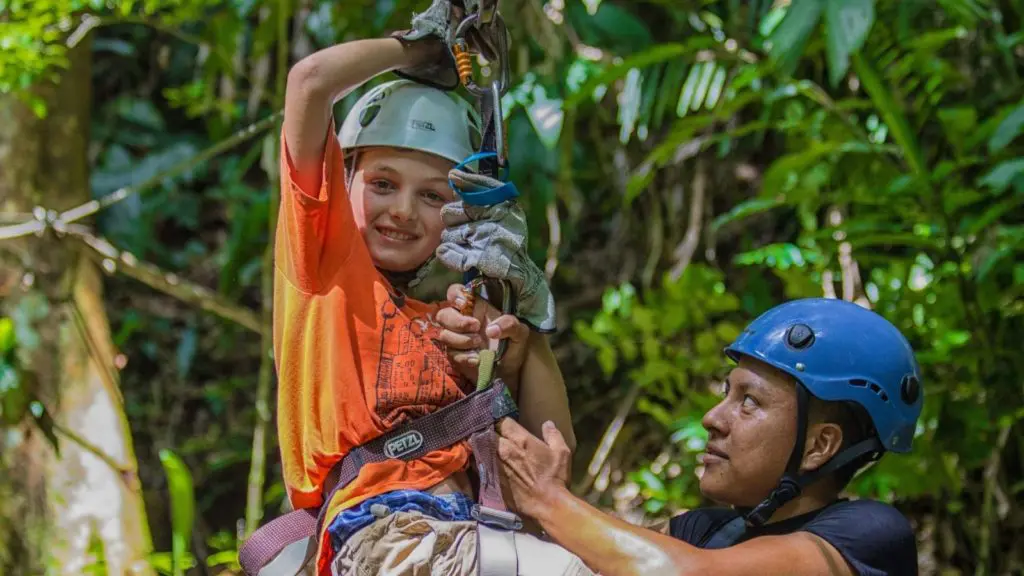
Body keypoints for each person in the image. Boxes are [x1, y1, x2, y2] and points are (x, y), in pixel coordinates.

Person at [272, 14, 575, 575]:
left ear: (458, 213)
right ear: (347, 182)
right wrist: (416, 50)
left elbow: (553, 452)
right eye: (383, 184)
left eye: (433, 196)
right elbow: (310, 83)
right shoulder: (325, 272)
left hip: (470, 529)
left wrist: (524, 336)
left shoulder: (451, 322)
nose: (404, 211)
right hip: (384, 531)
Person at [494, 298, 923, 575]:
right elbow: (564, 545)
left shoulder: (869, 537)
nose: (712, 418)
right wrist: (527, 352)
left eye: (750, 401)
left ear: (818, 446)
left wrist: (549, 498)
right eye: (726, 393)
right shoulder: (704, 533)